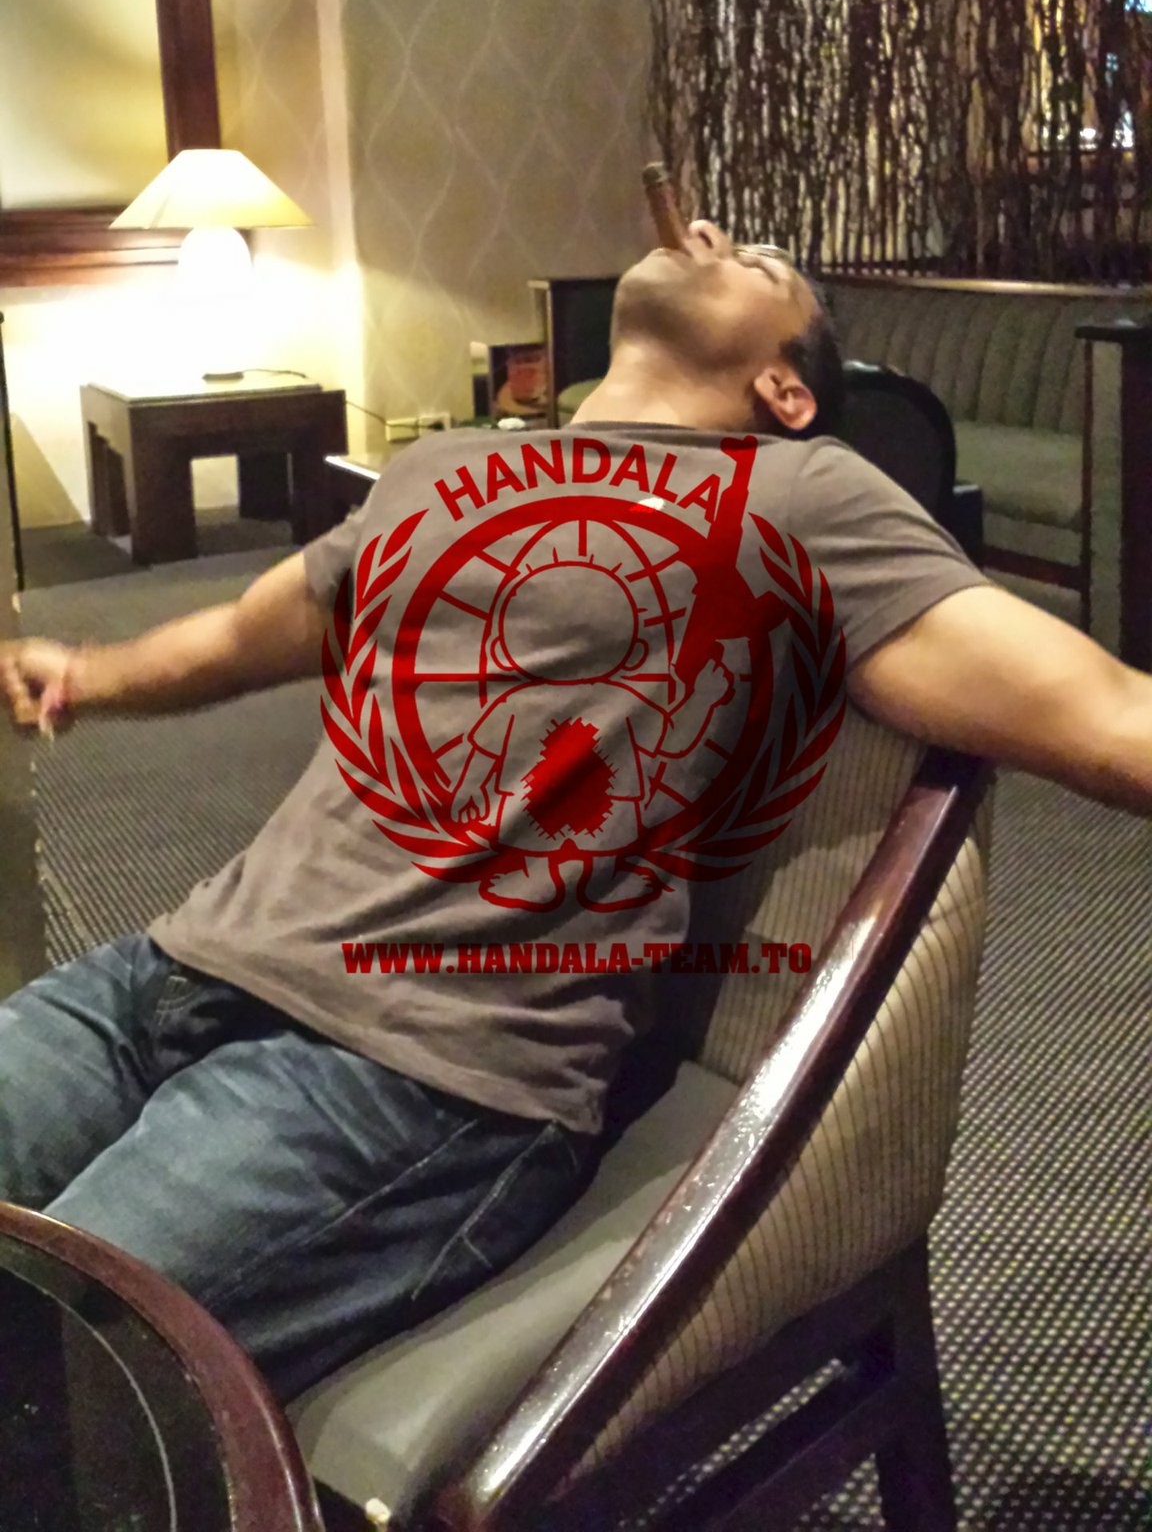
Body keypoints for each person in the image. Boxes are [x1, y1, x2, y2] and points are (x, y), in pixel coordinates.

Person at [0, 219, 1148, 1404]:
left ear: (785, 390)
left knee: (38, 1363)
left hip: (408, 1068)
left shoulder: (800, 493)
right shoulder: (438, 467)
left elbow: (1109, 717)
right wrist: (89, 673)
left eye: (763, 261)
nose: (715, 231)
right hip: (169, 972)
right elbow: (253, 629)